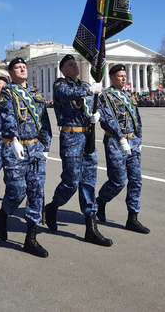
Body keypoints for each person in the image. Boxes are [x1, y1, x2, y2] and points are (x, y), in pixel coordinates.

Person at [44, 55, 112, 247]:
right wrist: (90, 89)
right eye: (69, 64)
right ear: (62, 70)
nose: (74, 66)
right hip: (71, 137)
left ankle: (91, 228)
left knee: (89, 182)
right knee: (71, 182)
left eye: (75, 64)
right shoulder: (60, 84)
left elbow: (96, 107)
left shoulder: (85, 86)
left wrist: (97, 116)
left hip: (87, 136)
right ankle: (53, 206)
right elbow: (67, 94)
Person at [0, 58, 52, 258]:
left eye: (24, 66)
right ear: (11, 72)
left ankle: (31, 239)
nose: (22, 68)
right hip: (15, 147)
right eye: (18, 67)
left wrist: (46, 145)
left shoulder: (35, 93)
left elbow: (44, 121)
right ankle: (2, 214)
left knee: (36, 192)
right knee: (17, 192)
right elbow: (8, 115)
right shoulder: (7, 93)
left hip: (35, 147)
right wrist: (14, 138)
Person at [96, 64, 150, 234]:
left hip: (132, 141)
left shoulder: (127, 95)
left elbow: (136, 117)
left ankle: (132, 218)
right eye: (120, 76)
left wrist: (138, 138)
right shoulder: (106, 96)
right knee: (118, 181)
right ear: (112, 77)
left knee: (136, 180)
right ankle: (101, 201)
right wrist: (120, 137)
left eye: (124, 76)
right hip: (115, 142)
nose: (124, 78)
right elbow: (107, 119)